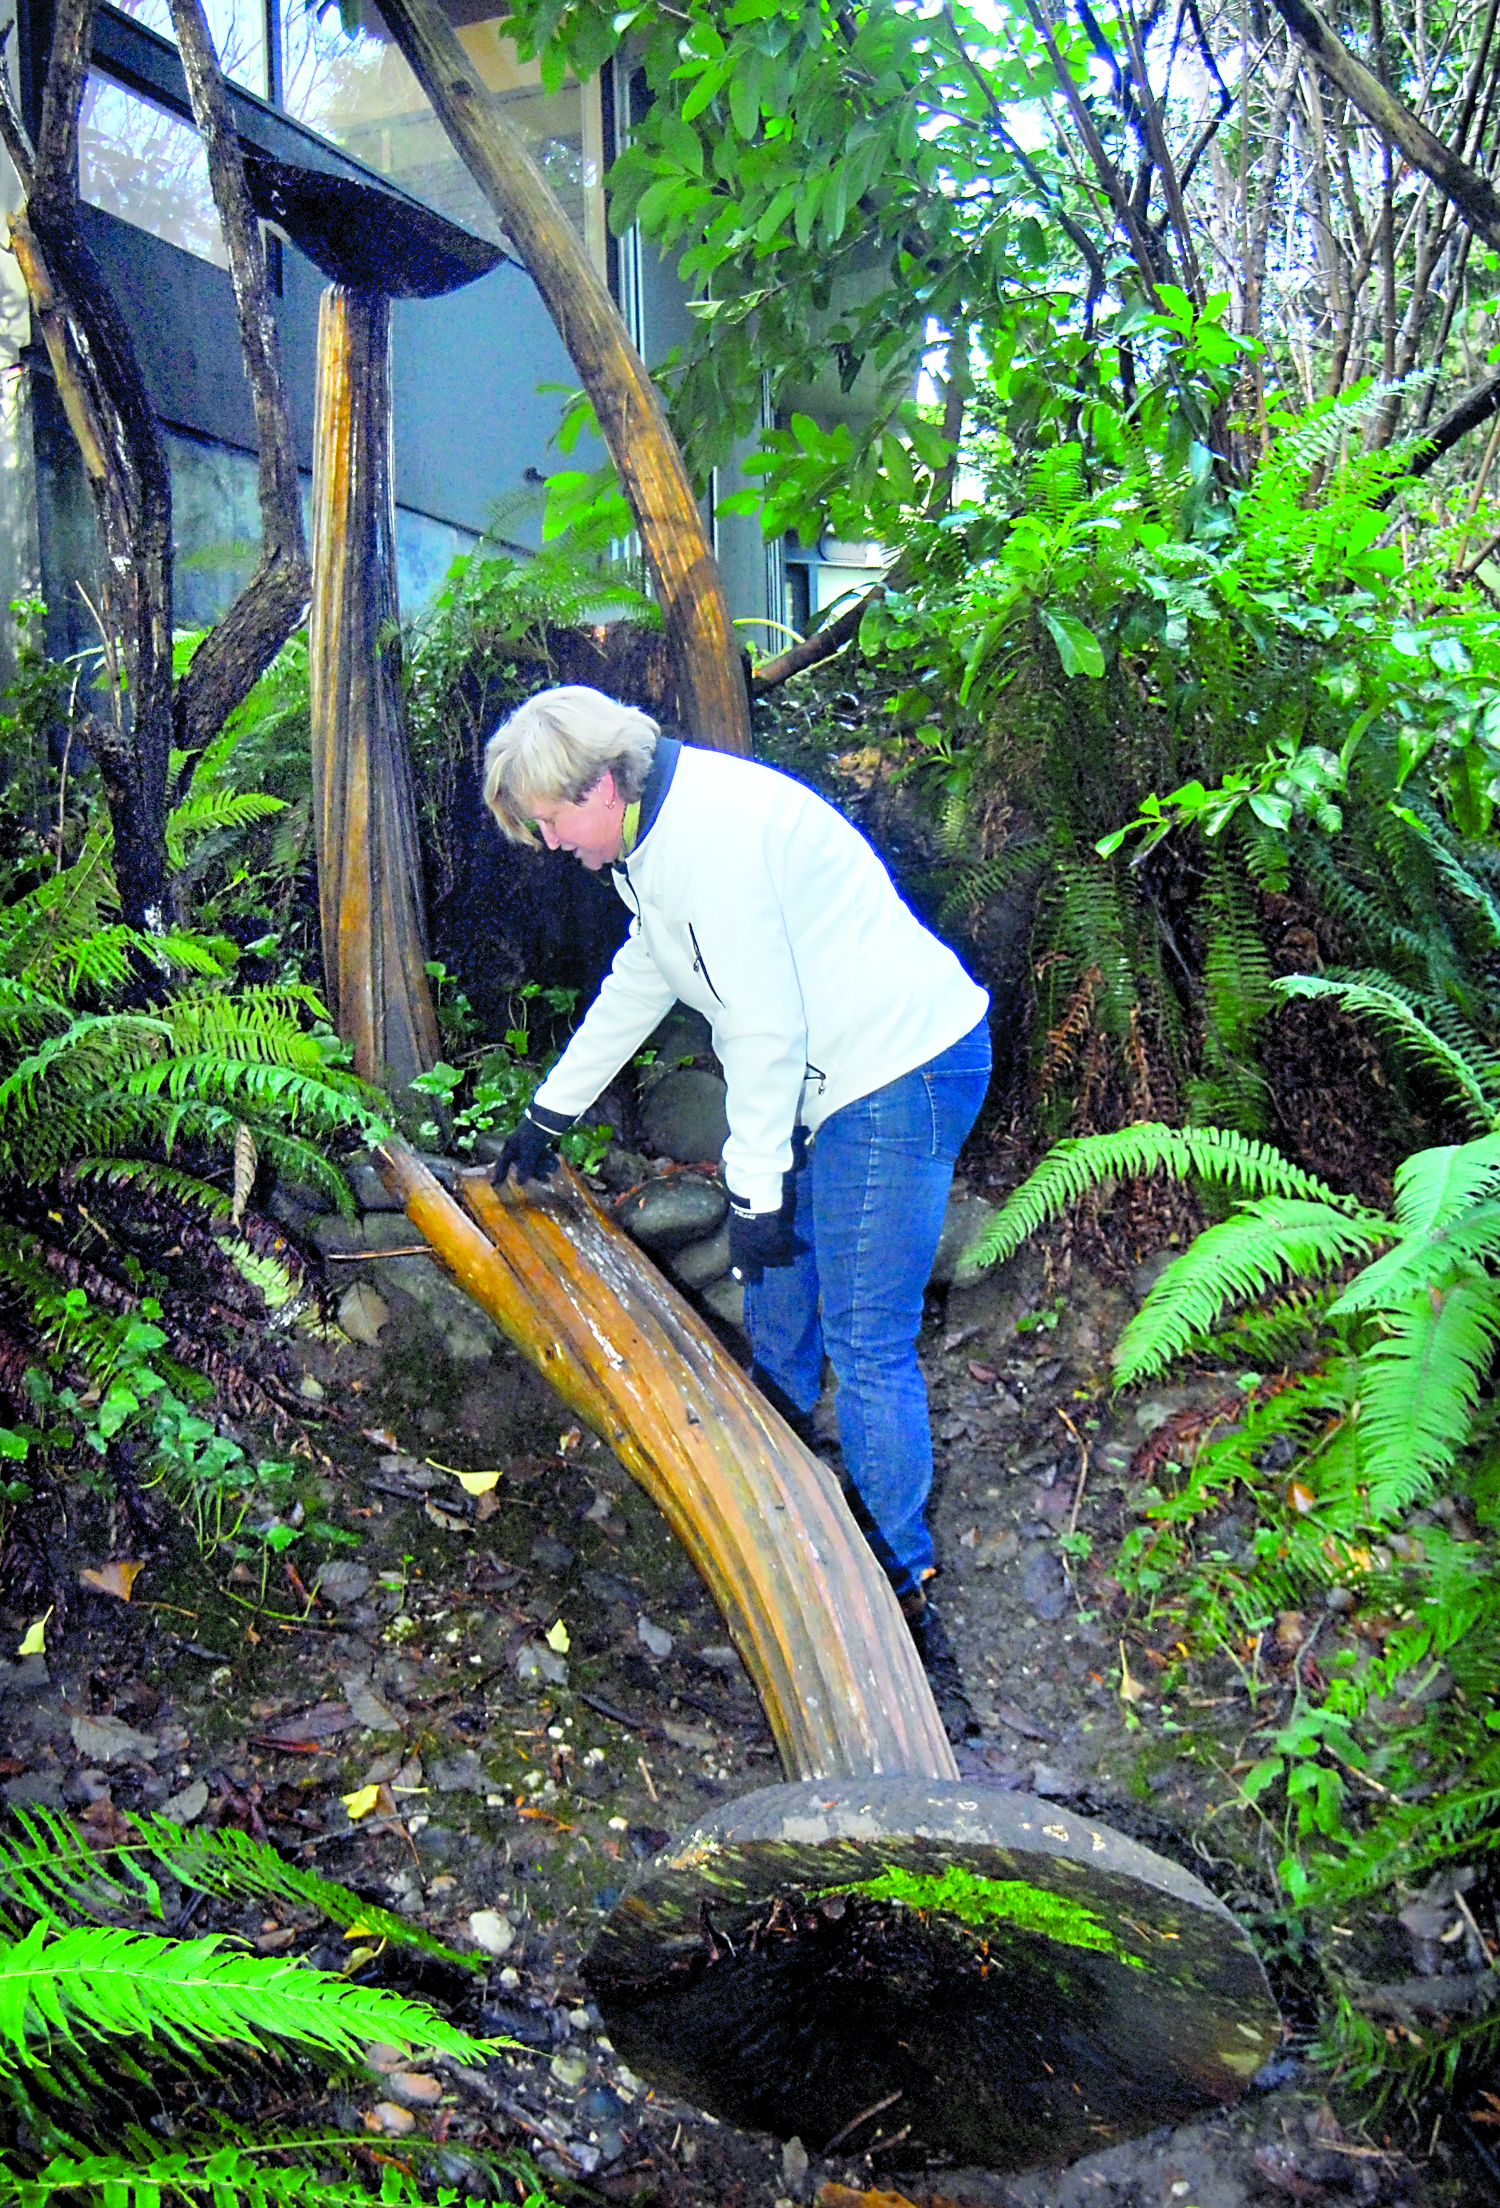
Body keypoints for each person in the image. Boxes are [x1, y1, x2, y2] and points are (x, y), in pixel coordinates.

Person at [483, 685, 991, 1737]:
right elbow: (648, 976)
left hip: (899, 1069)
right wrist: (549, 1112)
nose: (542, 841)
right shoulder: (650, 844)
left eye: (547, 818)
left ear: (603, 783)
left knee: (867, 1335)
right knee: (785, 1295)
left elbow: (760, 1028)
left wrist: (756, 1194)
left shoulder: (710, 835)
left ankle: (903, 1589)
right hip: (828, 1076)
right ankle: (786, 1498)